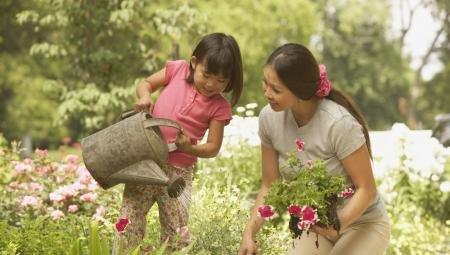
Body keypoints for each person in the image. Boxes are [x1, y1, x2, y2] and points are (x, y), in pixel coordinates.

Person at [238, 43, 390, 255]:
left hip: (363, 223)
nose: (267, 93)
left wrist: (336, 226)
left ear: (300, 90)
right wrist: (249, 234)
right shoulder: (268, 118)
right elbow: (269, 184)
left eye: (276, 89)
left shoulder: (338, 123)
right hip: (317, 226)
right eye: (265, 83)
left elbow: (367, 189)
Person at [112, 32, 243, 254]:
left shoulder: (219, 107)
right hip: (147, 160)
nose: (211, 84)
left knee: (176, 230)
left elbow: (213, 147)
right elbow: (145, 83)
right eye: (207, 74)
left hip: (178, 173)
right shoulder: (178, 70)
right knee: (129, 219)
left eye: (221, 80)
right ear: (194, 63)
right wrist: (145, 97)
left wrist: (189, 148)